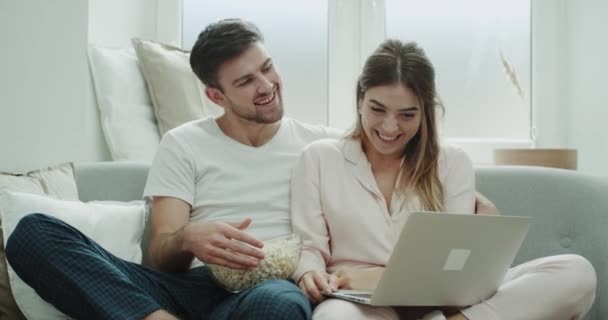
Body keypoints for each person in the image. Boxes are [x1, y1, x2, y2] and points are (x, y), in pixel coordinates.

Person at [6, 19, 494, 320]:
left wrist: (474, 205)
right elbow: (158, 256)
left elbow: (401, 159)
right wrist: (190, 239)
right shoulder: (184, 144)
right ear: (215, 95)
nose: (267, 85)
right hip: (185, 287)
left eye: (268, 67)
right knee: (32, 234)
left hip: (267, 290)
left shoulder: (322, 145)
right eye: (246, 80)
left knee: (281, 305)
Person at [290, 39, 597, 320]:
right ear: (360, 100)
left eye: (407, 115)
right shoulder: (318, 158)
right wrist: (309, 274)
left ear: (425, 112)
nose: (389, 126)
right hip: (360, 304)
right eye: (377, 109)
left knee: (576, 272)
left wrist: (366, 275)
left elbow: (455, 273)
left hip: (441, 303)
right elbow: (310, 248)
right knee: (334, 318)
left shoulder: (451, 162)